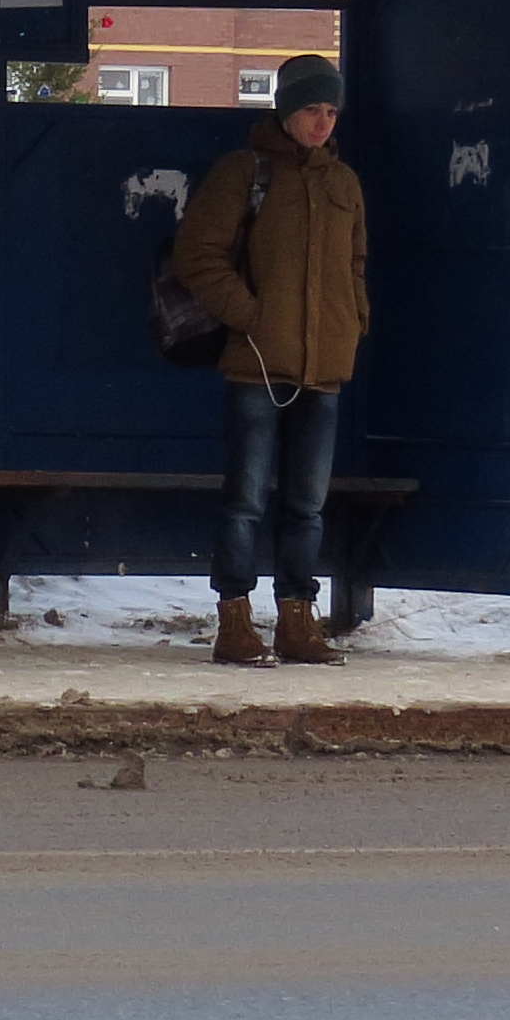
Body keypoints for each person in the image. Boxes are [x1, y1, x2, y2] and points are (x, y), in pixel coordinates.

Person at [167, 54, 369, 668]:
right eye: (312, 109)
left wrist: (354, 323)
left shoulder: (344, 183)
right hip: (256, 363)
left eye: (331, 112)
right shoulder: (245, 172)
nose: (322, 123)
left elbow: (355, 266)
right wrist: (252, 317)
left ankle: (296, 620)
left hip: (324, 365)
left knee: (307, 503)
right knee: (247, 498)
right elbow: (198, 254)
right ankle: (234, 619)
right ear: (286, 110)